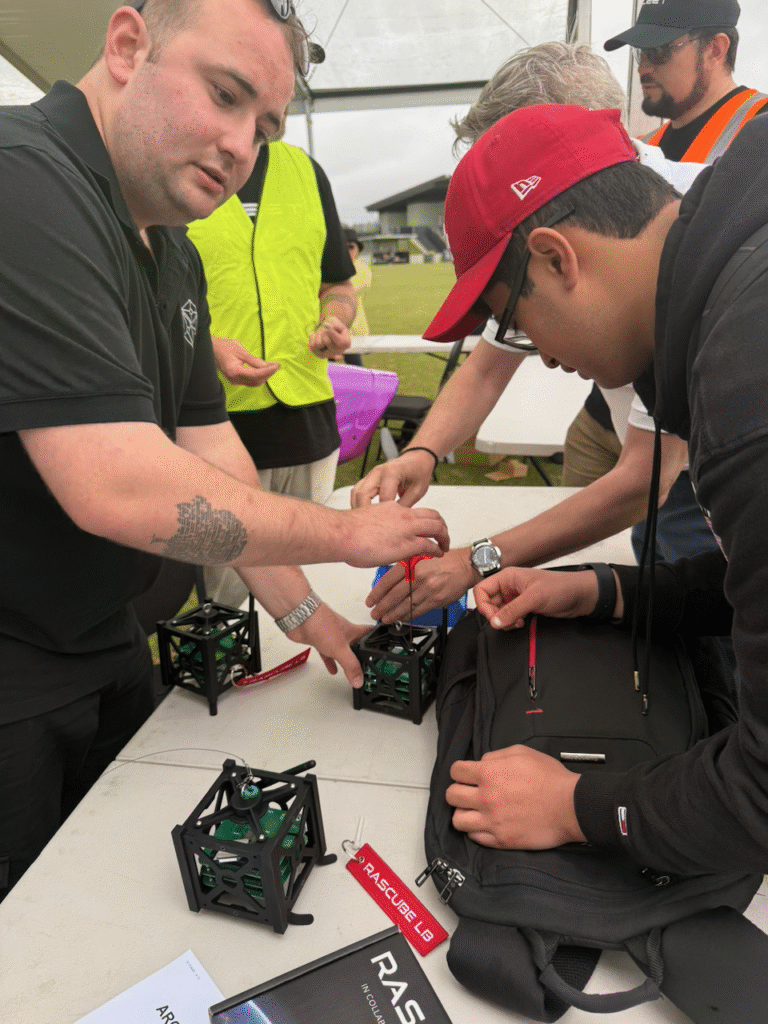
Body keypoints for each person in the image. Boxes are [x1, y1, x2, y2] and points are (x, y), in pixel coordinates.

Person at [0, 0, 449, 897]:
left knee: (121, 885)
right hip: (12, 665)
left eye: (267, 125)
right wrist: (344, 537)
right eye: (225, 94)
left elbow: (215, 461)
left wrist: (309, 617)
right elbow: (115, 483)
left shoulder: (172, 254)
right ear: (128, 44)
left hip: (104, 633)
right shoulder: (23, 181)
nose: (244, 144)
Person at [422, 101, 768, 875]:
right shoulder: (732, 276)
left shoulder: (749, 377)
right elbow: (752, 580)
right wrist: (598, 592)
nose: (537, 357)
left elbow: (761, 796)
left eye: (513, 321)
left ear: (557, 258)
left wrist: (575, 805)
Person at [351, 42, 698, 626]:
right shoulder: (607, 239)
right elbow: (488, 362)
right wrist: (422, 449)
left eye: (513, 151)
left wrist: (477, 560)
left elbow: (647, 477)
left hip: (687, 479)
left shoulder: (693, 270)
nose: (547, 358)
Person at [571, 0, 768, 557]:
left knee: (695, 603)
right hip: (615, 415)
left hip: (700, 434)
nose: (644, 65)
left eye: (661, 49)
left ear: (717, 48)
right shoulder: (646, 149)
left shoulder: (758, 139)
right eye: (639, 51)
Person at [187, 137, 357, 605]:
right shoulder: (177, 164)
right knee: (227, 605)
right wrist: (205, 346)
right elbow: (141, 296)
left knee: (316, 587)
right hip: (214, 427)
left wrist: (336, 317)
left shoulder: (305, 170)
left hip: (310, 424)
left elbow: (337, 281)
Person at [339, 226, 372, 366]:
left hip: (355, 330)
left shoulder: (363, 271)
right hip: (327, 329)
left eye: (351, 247)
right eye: (342, 246)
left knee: (357, 369)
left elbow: (344, 290)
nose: (347, 251)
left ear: (358, 250)